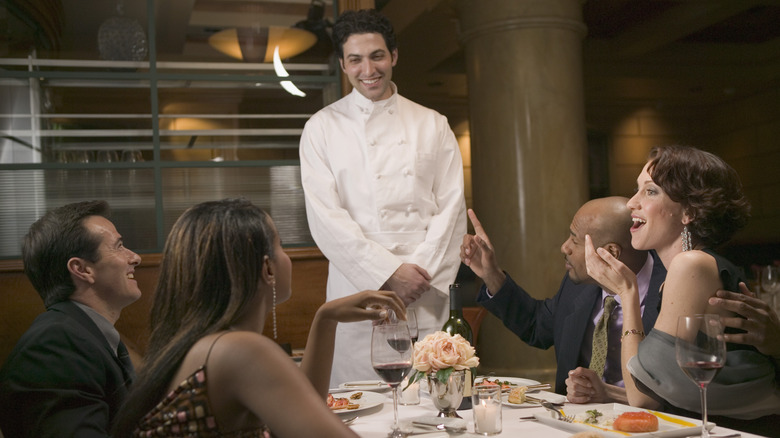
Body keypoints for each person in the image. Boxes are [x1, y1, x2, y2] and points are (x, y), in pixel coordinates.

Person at [111, 199, 406, 438]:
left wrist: (325, 319)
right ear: (268, 268)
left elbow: (303, 410)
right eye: (281, 245)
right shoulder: (239, 350)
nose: (287, 255)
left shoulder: (203, 344)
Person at [299, 9, 466, 386]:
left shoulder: (432, 123)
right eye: (355, 60)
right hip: (359, 290)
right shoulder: (321, 128)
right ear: (343, 64)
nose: (367, 69)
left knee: (430, 397)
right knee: (362, 404)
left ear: (394, 56)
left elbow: (452, 209)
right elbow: (326, 218)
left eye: (376, 56)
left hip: (425, 287)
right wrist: (388, 275)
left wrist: (415, 278)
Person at [581, 145, 780, 433]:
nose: (630, 203)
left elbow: (642, 396)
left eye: (650, 191)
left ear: (688, 211)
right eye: (637, 189)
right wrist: (607, 392)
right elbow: (667, 392)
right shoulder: (691, 267)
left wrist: (627, 294)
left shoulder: (691, 265)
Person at [461, 197, 666, 399]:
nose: (564, 247)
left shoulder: (672, 290)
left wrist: (609, 394)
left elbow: (679, 397)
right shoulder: (578, 285)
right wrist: (491, 274)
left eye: (575, 240)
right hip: (575, 422)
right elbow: (536, 325)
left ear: (610, 252)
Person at [0, 200, 141, 438]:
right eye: (119, 246)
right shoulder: (55, 345)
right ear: (82, 269)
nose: (135, 257)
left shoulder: (82, 336)